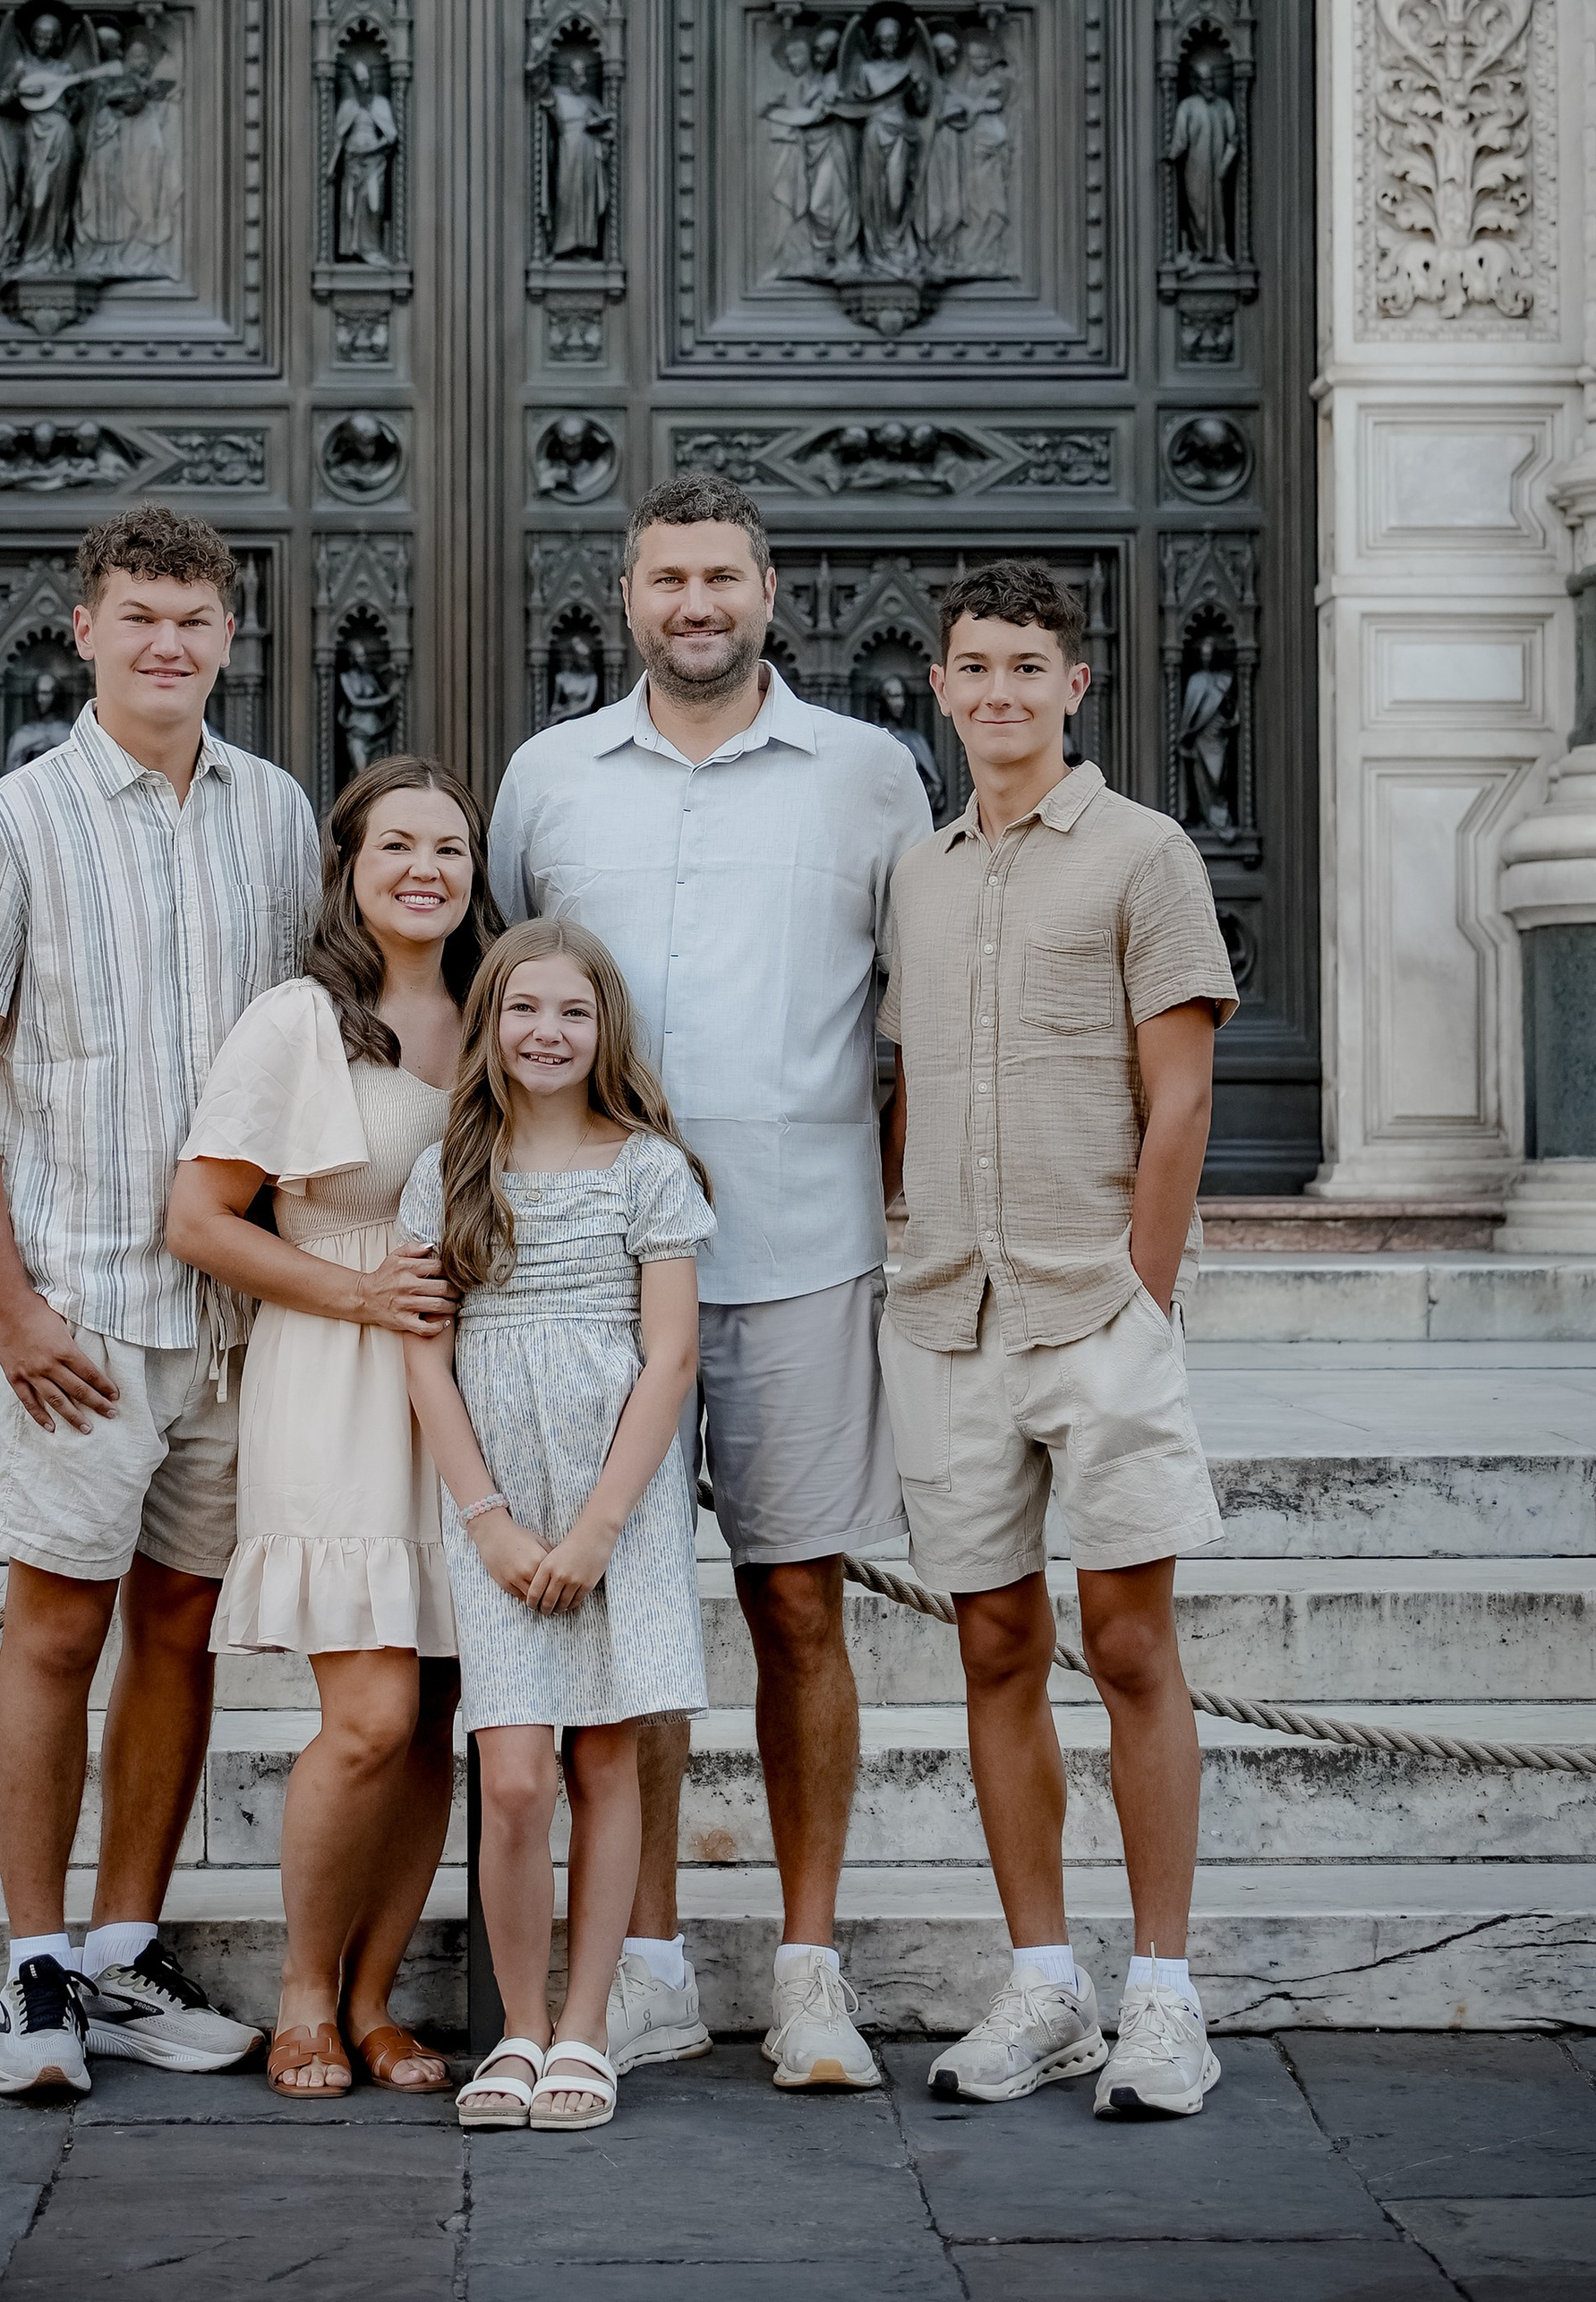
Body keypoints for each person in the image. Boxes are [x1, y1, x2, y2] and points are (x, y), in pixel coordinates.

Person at [488, 470, 933, 2092]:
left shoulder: (871, 778)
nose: (696, 604)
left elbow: (915, 1014)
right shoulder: (546, 784)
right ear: (628, 596)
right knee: (628, 1613)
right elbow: (510, 1011)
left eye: (723, 577)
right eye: (668, 578)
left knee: (798, 1603)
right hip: (584, 1288)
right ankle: (653, 1959)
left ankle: (809, 1970)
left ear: (769, 591)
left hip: (804, 1254)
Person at [0, 506, 320, 2103]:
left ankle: (124, 1948)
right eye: (139, 617)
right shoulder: (7, 827)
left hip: (233, 1312)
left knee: (181, 1625)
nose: (169, 644)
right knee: (56, 1624)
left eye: (196, 621)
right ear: (81, 631)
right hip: (80, 1307)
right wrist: (8, 1306)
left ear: (229, 640)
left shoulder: (280, 816)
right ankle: (30, 1971)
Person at [876, 561, 1236, 2122]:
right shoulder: (919, 871)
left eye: (1030, 665)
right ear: (942, 688)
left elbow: (1185, 1094)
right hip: (947, 1314)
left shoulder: (1145, 856)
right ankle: (1045, 1984)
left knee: (1134, 1644)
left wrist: (1145, 1291)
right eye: (976, 666)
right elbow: (903, 1085)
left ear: (1074, 686)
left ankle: (1165, 1995)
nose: (1002, 691)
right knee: (993, 1645)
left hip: (1097, 1307)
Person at [166, 757, 500, 2098]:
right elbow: (199, 1220)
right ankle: (302, 1993)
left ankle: (372, 2004)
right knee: (366, 1710)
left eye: (452, 849)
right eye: (397, 847)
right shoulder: (299, 1021)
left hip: (468, 1386)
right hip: (335, 1369)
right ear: (349, 870)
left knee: (434, 1712)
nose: (427, 870)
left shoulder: (495, 1012)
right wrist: (361, 1293)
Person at [397, 920, 713, 2135]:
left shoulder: (647, 1169)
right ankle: (517, 2031)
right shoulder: (448, 1172)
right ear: (490, 1028)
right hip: (498, 1501)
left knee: (604, 1759)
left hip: (615, 1504)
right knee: (517, 1775)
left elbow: (671, 1355)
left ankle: (587, 2030)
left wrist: (597, 1531)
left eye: (573, 1013)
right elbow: (426, 1359)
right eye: (524, 1009)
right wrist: (487, 1520)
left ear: (605, 1031)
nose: (547, 1032)